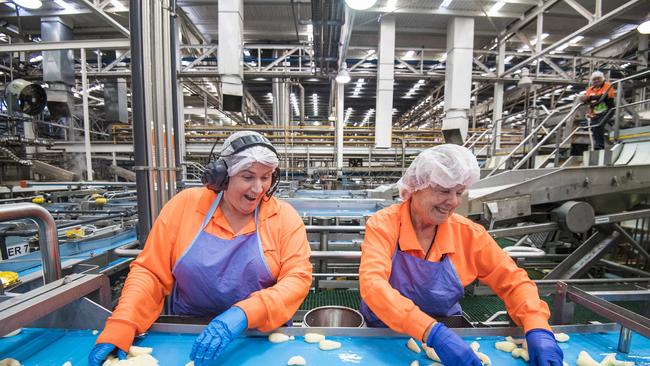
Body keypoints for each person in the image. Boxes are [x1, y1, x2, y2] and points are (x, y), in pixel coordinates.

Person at [88, 131, 312, 366]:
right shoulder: (185, 206)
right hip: (187, 333)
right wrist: (123, 324)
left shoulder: (283, 217)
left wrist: (245, 314)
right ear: (222, 176)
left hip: (260, 337)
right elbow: (151, 273)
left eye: (266, 177)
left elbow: (296, 279)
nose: (258, 189)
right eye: (248, 177)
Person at [358, 144, 563, 366]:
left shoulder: (468, 234)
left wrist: (537, 326)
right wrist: (431, 333)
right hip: (384, 332)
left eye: (459, 192)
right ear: (416, 187)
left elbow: (513, 282)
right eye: (444, 191)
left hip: (450, 332)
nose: (454, 202)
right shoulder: (384, 225)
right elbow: (373, 285)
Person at [579, 70, 616, 150]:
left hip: (608, 110)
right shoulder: (590, 89)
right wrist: (584, 99)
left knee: (598, 125)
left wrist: (591, 98)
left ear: (603, 79)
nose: (596, 81)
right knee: (593, 127)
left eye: (598, 79)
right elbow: (588, 101)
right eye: (594, 79)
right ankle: (598, 144)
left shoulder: (608, 86)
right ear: (592, 81)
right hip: (595, 112)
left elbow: (605, 96)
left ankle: (599, 146)